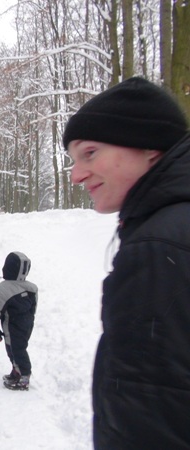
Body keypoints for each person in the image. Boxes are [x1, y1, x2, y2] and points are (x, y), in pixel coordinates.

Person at [63, 76, 190, 448]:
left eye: (90, 153)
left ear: (148, 146)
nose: (76, 175)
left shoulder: (159, 245)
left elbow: (149, 408)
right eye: (73, 161)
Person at [0, 251, 38, 391]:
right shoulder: (32, 288)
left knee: (15, 350)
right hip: (27, 325)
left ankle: (24, 377)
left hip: (12, 326)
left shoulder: (4, 288)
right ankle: (16, 372)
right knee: (19, 348)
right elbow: (34, 307)